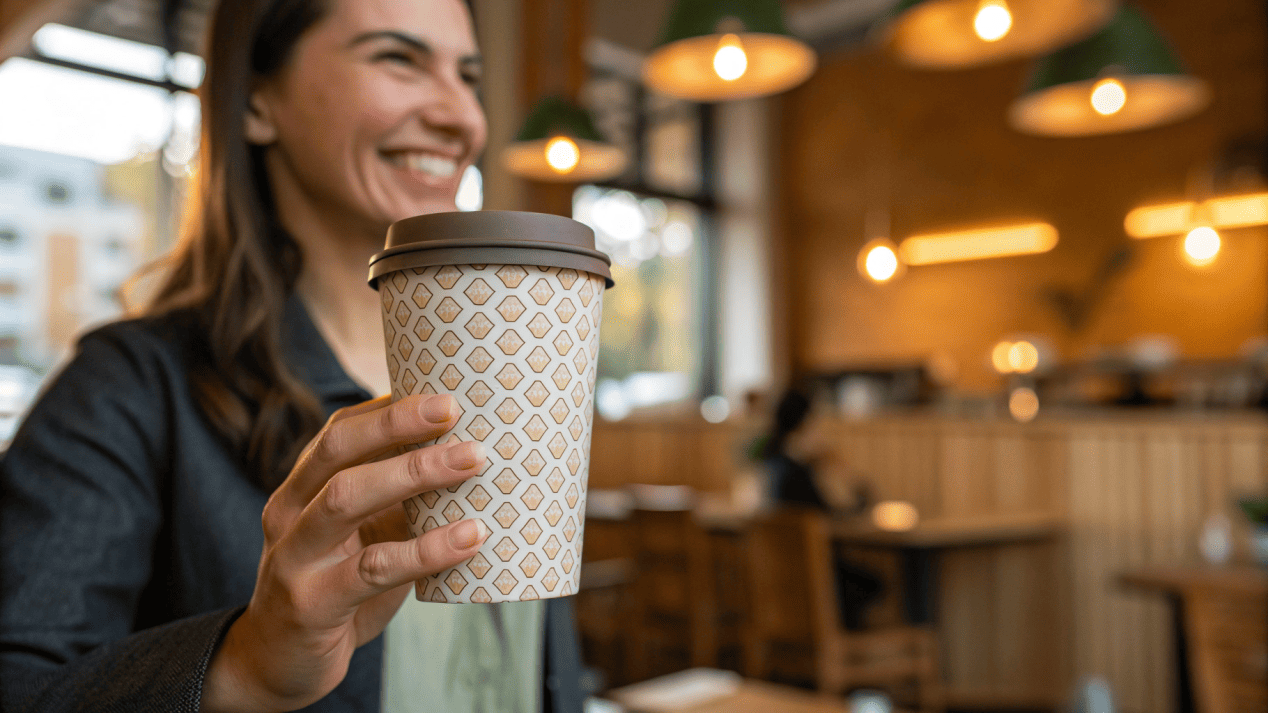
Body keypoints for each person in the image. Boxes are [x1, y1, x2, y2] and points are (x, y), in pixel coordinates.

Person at [0, 0, 585, 711]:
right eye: (397, 58)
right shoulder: (128, 390)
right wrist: (242, 669)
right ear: (255, 101)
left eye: (468, 75)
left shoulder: (513, 373)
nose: (463, 117)